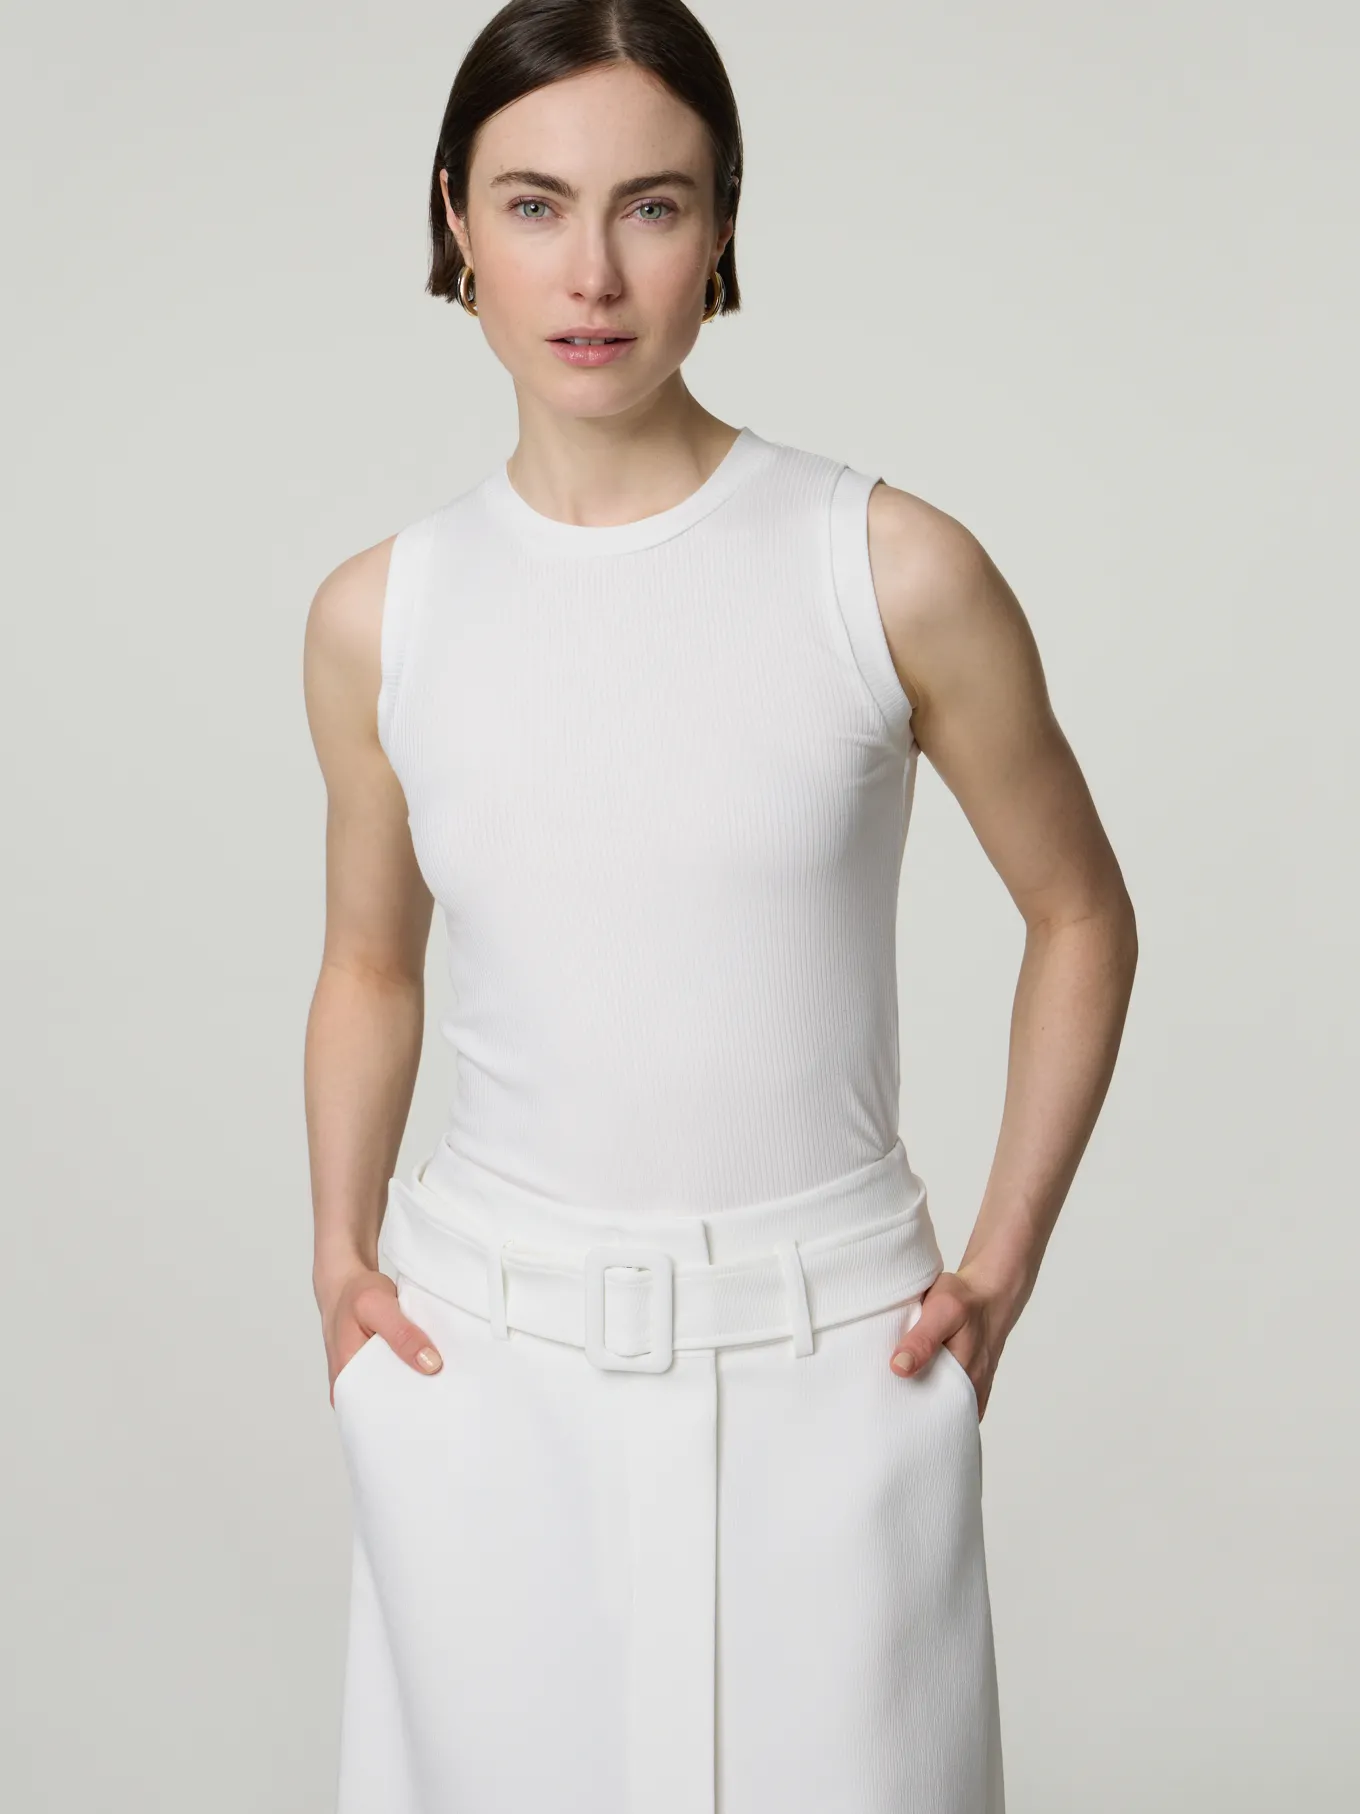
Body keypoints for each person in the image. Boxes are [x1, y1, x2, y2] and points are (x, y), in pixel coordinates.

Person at [301, 2, 1138, 1810]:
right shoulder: (385, 615)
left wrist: (999, 1267)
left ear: (725, 226)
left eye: (654, 206)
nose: (592, 274)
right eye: (535, 203)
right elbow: (369, 963)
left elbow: (1080, 912)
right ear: (456, 219)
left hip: (834, 1364)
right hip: (485, 1373)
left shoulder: (887, 566)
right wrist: (338, 1256)